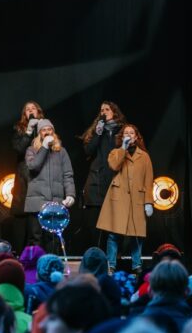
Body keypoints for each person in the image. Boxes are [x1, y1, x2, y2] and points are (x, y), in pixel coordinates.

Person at [96, 123, 153, 273]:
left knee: (137, 235)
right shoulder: (115, 152)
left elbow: (149, 180)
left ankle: (137, 265)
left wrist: (149, 202)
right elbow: (114, 166)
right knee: (114, 235)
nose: (129, 135)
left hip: (137, 199)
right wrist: (123, 148)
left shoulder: (145, 156)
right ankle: (111, 265)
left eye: (131, 133)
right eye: (126, 133)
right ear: (122, 137)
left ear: (136, 137)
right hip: (118, 199)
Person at [23, 118, 76, 249]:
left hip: (55, 203)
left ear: (53, 132)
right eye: (43, 130)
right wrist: (44, 147)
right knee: (36, 239)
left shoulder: (61, 152)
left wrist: (70, 194)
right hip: (36, 204)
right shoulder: (31, 150)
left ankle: (53, 268)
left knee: (53, 240)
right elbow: (33, 166)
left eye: (49, 129)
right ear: (39, 133)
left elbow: (68, 175)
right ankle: (36, 268)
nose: (47, 132)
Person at [81, 102, 125, 237]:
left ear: (114, 112)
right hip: (97, 182)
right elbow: (89, 151)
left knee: (115, 224)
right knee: (96, 225)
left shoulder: (122, 130)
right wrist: (98, 133)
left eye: (107, 109)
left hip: (116, 179)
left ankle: (114, 255)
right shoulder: (96, 132)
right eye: (101, 110)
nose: (104, 112)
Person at [9, 101, 44, 249]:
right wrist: (28, 132)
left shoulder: (45, 128)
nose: (30, 111)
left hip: (41, 178)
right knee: (23, 222)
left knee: (39, 223)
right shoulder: (20, 130)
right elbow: (18, 149)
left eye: (33, 108)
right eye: (27, 109)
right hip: (25, 179)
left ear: (38, 111)